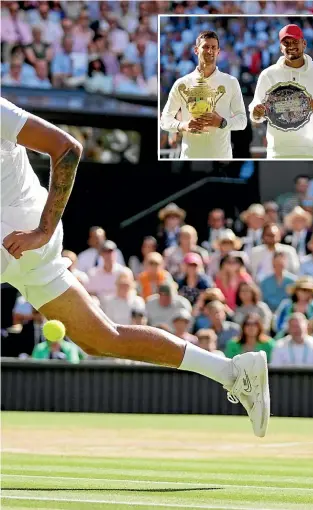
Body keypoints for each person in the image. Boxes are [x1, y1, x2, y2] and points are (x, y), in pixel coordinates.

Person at [0, 97, 270, 437]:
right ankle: (232, 371)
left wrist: (43, 230)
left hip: (21, 233)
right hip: (24, 249)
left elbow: (67, 148)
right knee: (101, 339)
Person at [249, 24, 313, 159]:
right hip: (278, 153)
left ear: (304, 43)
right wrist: (257, 113)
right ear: (280, 47)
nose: (291, 46)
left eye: (295, 41)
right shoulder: (268, 74)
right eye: (286, 43)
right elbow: (255, 110)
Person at [160, 30, 247, 159]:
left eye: (213, 47)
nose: (209, 51)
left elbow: (242, 121)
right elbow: (164, 120)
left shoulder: (231, 82)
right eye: (205, 47)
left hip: (221, 158)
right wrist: (183, 125)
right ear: (196, 50)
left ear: (218, 51)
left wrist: (221, 122)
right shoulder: (182, 83)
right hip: (189, 158)